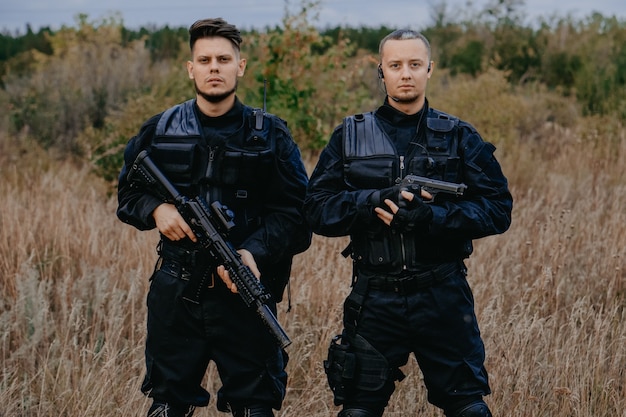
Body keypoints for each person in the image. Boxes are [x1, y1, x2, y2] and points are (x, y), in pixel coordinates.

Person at [304, 29, 513, 417]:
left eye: (415, 65)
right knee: (359, 409)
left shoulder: (460, 137)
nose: (406, 73)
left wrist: (432, 218)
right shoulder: (349, 136)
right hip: (375, 296)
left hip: (443, 294)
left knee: (467, 406)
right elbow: (316, 209)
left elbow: (499, 209)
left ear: (429, 69)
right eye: (395, 65)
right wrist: (370, 202)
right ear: (380, 71)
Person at [117, 18, 311, 417]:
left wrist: (254, 252)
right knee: (167, 404)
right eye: (204, 59)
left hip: (245, 293)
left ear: (240, 66)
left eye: (224, 59)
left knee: (254, 406)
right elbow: (128, 193)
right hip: (177, 292)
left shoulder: (271, 135)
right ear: (191, 68)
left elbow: (297, 215)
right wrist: (157, 209)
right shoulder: (159, 129)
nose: (214, 67)